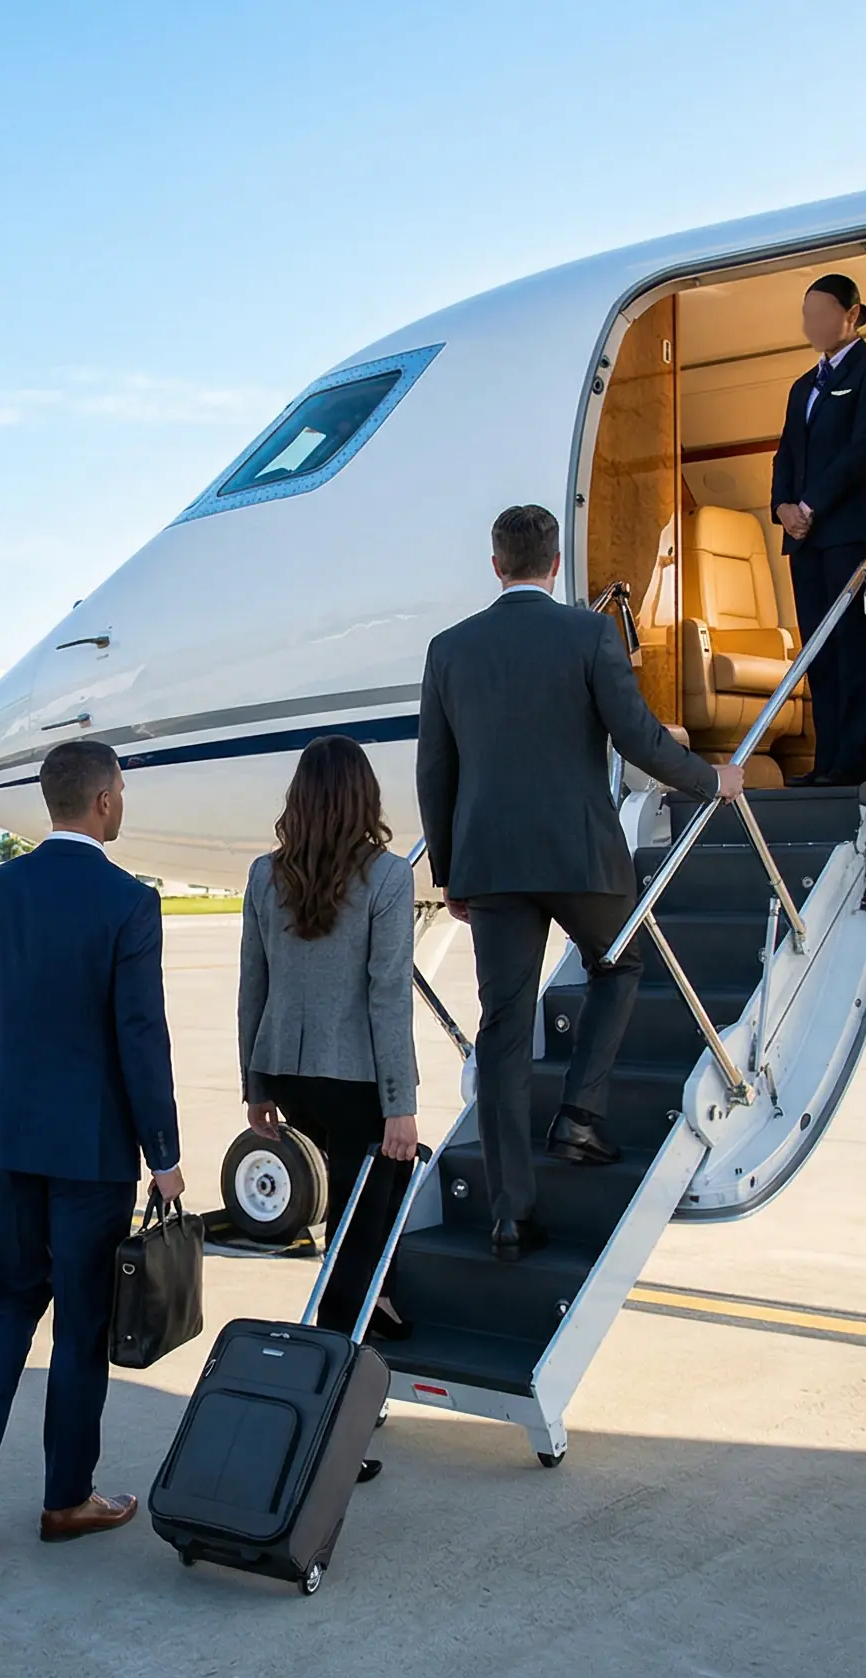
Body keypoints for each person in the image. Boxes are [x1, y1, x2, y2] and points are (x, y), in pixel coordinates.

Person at [415, 504, 740, 1263]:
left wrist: (451, 870)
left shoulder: (450, 650)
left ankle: (509, 1216)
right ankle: (581, 1114)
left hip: (491, 867)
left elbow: (436, 769)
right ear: (555, 565)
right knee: (618, 964)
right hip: (581, 858)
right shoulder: (589, 634)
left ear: (496, 566)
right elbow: (638, 737)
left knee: (501, 1029)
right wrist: (710, 781)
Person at [0, 740, 183, 1546]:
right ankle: (66, 1497)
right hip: (90, 1147)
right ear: (105, 800)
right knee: (80, 1320)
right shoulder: (127, 902)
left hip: (3, 1139)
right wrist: (165, 1154)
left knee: (11, 1297)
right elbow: (139, 1035)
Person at [237, 735, 420, 1343]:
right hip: (356, 1076)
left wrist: (255, 1085)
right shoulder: (390, 877)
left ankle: (376, 1307)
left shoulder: (265, 875)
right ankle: (342, 1350)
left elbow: (252, 986)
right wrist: (401, 1105)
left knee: (360, 1202)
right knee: (364, 1214)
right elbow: (388, 994)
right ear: (364, 798)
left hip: (290, 1073)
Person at [771, 272, 866, 786]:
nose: (810, 324)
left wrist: (812, 503)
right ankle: (825, 762)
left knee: (852, 651)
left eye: (820, 314)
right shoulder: (802, 387)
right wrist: (782, 508)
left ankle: (853, 762)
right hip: (805, 539)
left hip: (845, 534)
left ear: (853, 315)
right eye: (805, 314)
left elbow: (859, 450)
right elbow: (786, 455)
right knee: (817, 648)